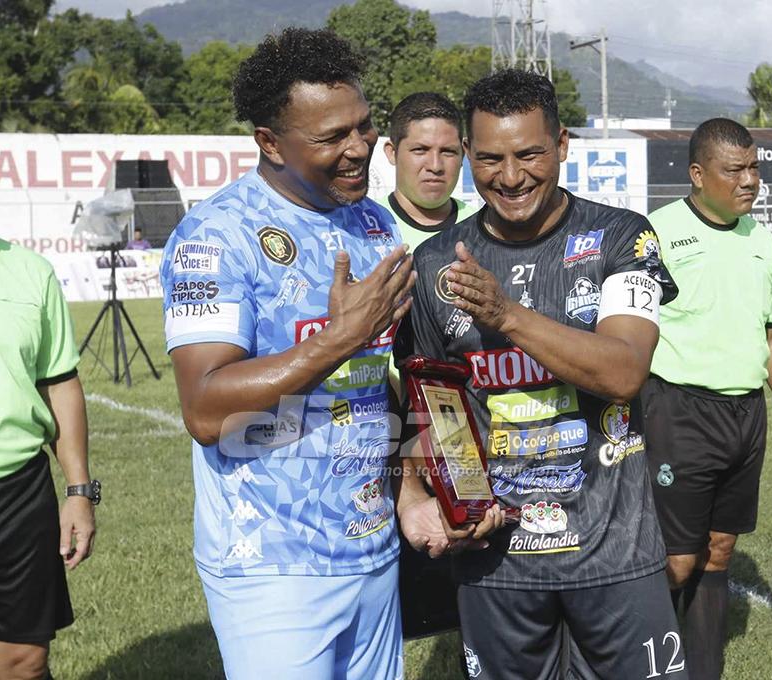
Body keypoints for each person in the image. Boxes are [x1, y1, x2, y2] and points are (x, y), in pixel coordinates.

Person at [159, 28, 443, 679]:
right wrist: (340, 336)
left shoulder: (372, 223)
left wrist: (407, 492)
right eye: (331, 138)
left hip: (371, 548)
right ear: (269, 142)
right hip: (272, 564)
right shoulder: (217, 235)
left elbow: (376, 386)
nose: (358, 149)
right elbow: (206, 408)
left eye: (364, 127)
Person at [395, 68, 688, 680]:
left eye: (530, 154)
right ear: (469, 156)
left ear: (562, 146)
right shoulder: (433, 263)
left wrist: (505, 314)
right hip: (496, 561)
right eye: (490, 158)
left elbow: (625, 370)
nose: (511, 176)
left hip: (615, 551)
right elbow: (435, 404)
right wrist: (445, 494)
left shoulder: (622, 238)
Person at [643, 117, 772, 679]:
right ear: (698, 174)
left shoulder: (760, 239)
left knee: (719, 549)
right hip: (678, 410)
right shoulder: (656, 233)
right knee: (677, 557)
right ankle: (641, 662)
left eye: (754, 168)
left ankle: (703, 670)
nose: (750, 181)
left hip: (746, 415)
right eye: (734, 170)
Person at [0, 126, 97, 680]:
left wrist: (78, 492)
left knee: (23, 661)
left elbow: (60, 383)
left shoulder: (31, 273)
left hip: (14, 495)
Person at [381, 91, 478, 248]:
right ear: (392, 153)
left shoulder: (485, 229)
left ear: (463, 155)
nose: (435, 166)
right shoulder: (359, 228)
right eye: (420, 150)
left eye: (448, 151)